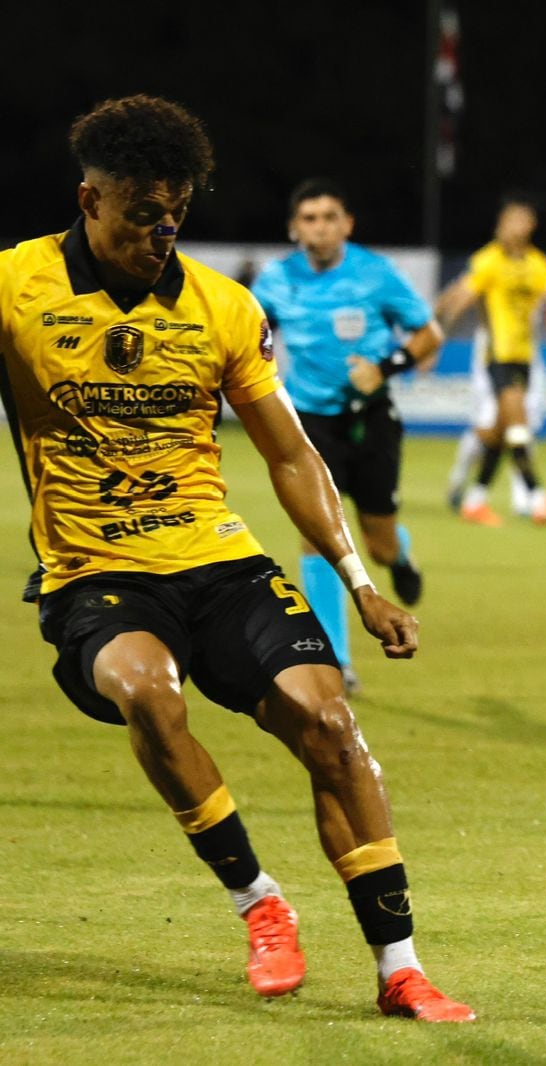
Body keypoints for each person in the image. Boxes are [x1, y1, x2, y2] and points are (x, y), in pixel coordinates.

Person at [0, 95, 473, 1022]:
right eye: (142, 212)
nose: (161, 232)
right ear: (89, 198)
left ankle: (400, 968)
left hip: (218, 565)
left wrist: (360, 585)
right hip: (96, 574)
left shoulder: (222, 307)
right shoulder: (18, 286)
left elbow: (291, 454)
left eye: (175, 213)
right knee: (147, 689)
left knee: (330, 726)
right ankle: (260, 902)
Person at [251, 180, 443, 697]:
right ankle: (336, 658)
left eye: (329, 216)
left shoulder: (375, 274)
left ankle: (398, 554)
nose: (319, 226)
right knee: (315, 533)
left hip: (372, 418)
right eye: (309, 218)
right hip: (309, 421)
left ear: (347, 224)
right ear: (295, 228)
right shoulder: (276, 279)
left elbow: (429, 336)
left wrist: (385, 368)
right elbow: (249, 335)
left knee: (376, 541)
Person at [436, 194, 546, 527]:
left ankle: (475, 499)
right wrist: (434, 340)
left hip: (525, 358)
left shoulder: (538, 265)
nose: (511, 227)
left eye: (519, 220)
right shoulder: (489, 261)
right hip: (496, 355)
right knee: (518, 424)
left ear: (530, 226)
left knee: (500, 432)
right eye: (507, 221)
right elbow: (461, 298)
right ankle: (536, 497)